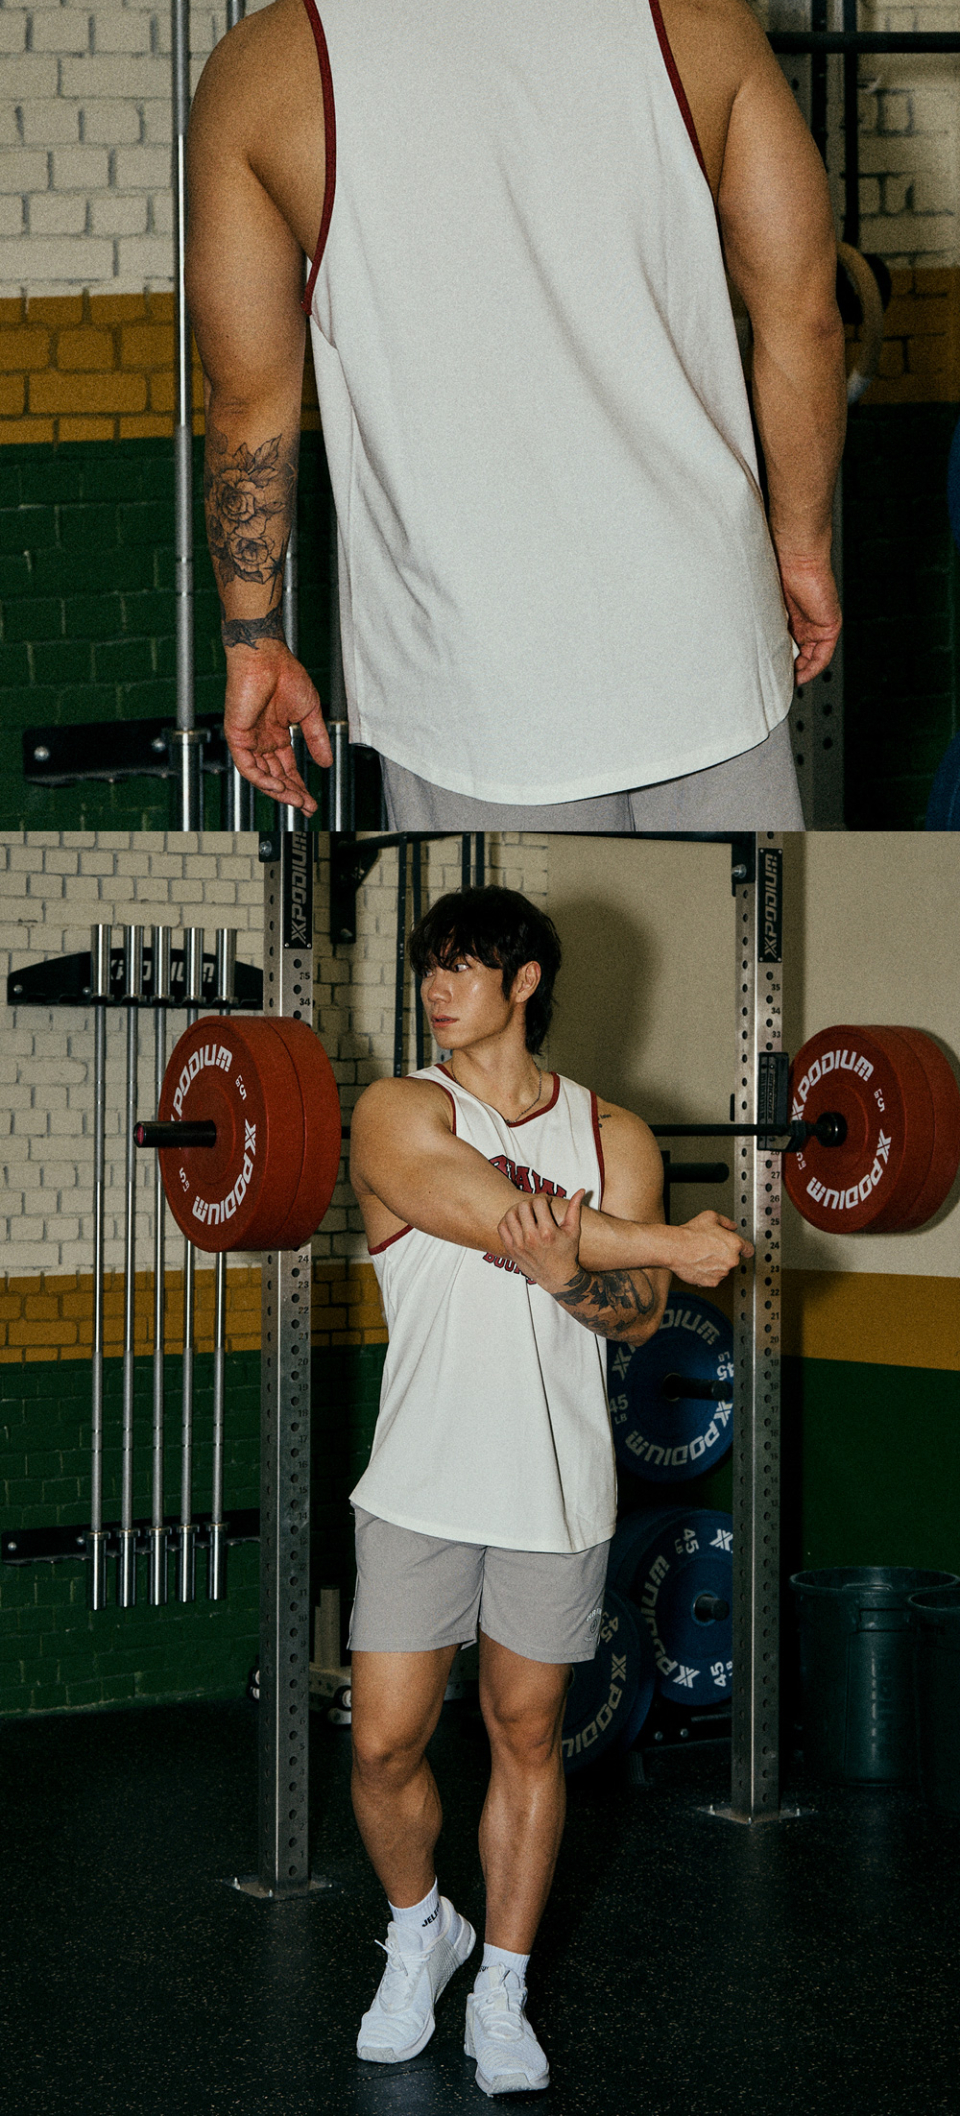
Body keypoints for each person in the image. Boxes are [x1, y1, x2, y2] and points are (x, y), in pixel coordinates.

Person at [185, 0, 847, 833]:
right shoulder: (699, 18)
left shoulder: (263, 73)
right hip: (707, 643)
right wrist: (800, 550)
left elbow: (247, 399)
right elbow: (803, 315)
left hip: (468, 691)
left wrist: (252, 635)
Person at [346, 878, 751, 2086]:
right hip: (419, 1480)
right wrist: (676, 1242)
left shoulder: (615, 1134)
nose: (435, 987)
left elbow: (634, 1319)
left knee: (527, 1735)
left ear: (524, 981)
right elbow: (494, 1215)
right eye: (428, 966)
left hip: (555, 1488)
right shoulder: (397, 1109)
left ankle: (503, 1986)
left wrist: (578, 1271)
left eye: (461, 965)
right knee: (383, 1744)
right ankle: (422, 1927)